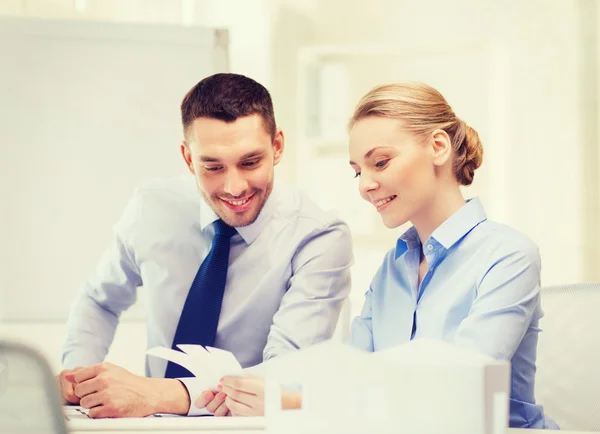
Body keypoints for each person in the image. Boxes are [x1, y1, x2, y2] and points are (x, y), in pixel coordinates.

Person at [212, 82, 558, 429]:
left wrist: (301, 402)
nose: (365, 185)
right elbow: (349, 372)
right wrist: (246, 389)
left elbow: (459, 394)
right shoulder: (392, 269)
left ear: (438, 147)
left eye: (380, 162)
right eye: (358, 171)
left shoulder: (508, 256)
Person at [57, 73, 353, 418]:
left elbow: (283, 376)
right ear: (187, 159)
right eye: (212, 166)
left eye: (250, 162)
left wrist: (161, 394)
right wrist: (80, 378)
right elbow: (99, 300)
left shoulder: (319, 237)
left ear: (277, 147)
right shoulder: (152, 208)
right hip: (152, 426)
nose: (234, 187)